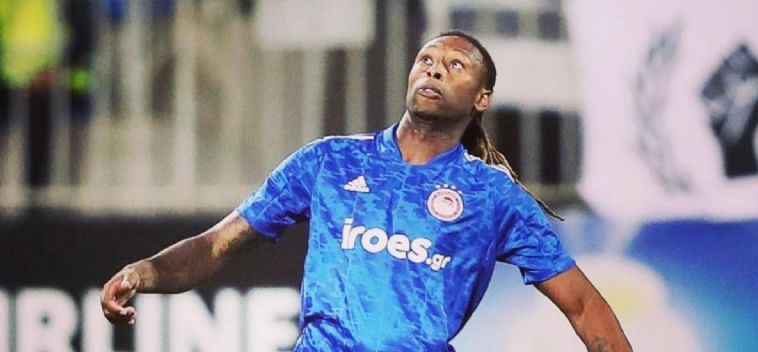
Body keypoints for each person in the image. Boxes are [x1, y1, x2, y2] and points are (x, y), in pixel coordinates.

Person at [101, 30, 632, 351]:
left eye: (455, 66)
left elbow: (584, 305)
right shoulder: (329, 161)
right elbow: (216, 246)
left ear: (482, 98)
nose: (434, 70)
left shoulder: (493, 196)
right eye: (426, 60)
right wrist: (141, 273)